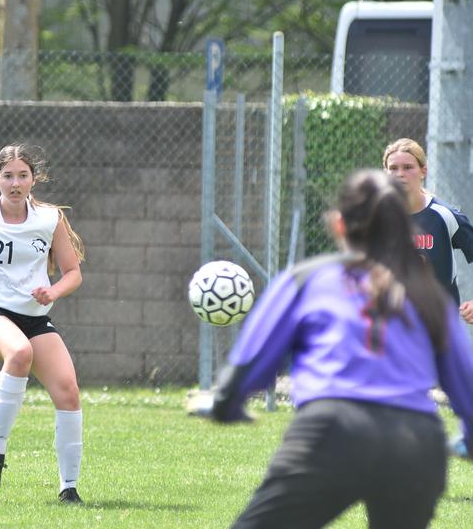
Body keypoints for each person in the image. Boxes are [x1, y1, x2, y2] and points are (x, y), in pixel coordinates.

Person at [190, 170, 473, 528]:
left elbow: (255, 361)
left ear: (339, 224)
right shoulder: (429, 294)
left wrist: (226, 404)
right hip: (416, 442)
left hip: (333, 430)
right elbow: (465, 383)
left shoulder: (309, 278)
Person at [0, 143, 85, 504]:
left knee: (68, 391)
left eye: (23, 175)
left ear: (33, 179)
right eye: (8, 175)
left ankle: (69, 488)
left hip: (34, 316)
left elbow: (72, 273)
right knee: (18, 353)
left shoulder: (49, 219)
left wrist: (52, 292)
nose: (15, 182)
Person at [383, 138, 473, 323]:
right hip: (393, 324)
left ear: (423, 171)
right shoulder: (377, 218)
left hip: (440, 325)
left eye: (408, 167)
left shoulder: (445, 215)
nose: (400, 174)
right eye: (393, 168)